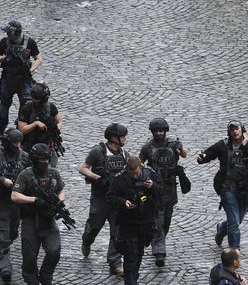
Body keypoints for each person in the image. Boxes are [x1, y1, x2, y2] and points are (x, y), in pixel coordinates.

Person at [197, 120, 248, 249]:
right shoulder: (223, 145)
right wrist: (201, 158)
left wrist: (247, 144)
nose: (234, 131)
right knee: (234, 223)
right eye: (232, 129)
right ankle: (234, 252)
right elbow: (207, 154)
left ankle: (221, 228)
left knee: (237, 219)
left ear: (242, 130)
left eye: (237, 129)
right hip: (227, 188)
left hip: (244, 189)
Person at [78, 123, 129, 277]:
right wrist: (97, 178)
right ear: (114, 138)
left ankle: (115, 262)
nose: (126, 139)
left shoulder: (124, 154)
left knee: (118, 230)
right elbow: (83, 168)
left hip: (116, 199)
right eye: (123, 136)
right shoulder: (98, 152)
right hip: (100, 198)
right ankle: (87, 240)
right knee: (94, 226)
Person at [11, 143, 64, 285]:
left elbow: (61, 189)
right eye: (42, 159)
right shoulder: (26, 175)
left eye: (47, 159)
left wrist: (59, 201)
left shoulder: (53, 173)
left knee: (54, 251)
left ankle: (46, 276)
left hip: (48, 219)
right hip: (30, 220)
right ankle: (31, 280)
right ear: (35, 160)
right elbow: (15, 196)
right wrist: (34, 199)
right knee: (30, 257)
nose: (45, 162)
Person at [139, 118, 187, 267]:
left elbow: (184, 154)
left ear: (165, 131)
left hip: (170, 187)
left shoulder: (173, 144)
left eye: (161, 130)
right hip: (155, 188)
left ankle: (157, 240)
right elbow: (139, 163)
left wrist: (181, 150)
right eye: (156, 131)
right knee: (158, 218)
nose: (159, 133)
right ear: (152, 132)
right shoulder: (148, 147)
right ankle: (159, 250)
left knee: (167, 218)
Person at [0, 128, 30, 282]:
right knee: (3, 234)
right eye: (14, 143)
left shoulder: (24, 157)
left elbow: (30, 174)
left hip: (17, 202)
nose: (17, 146)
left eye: (19, 143)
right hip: (2, 200)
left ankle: (4, 246)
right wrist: (2, 181)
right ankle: (4, 265)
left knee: (12, 232)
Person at [106, 156, 162, 285]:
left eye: (137, 173)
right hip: (128, 222)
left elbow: (161, 192)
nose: (135, 177)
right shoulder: (120, 178)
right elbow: (110, 196)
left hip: (145, 220)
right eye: (132, 174)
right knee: (130, 254)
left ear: (140, 167)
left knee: (138, 253)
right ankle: (130, 281)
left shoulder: (150, 174)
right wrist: (123, 202)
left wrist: (152, 186)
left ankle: (133, 278)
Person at [0, 20, 42, 136]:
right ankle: (2, 130)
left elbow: (38, 58)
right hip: (7, 79)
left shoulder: (29, 42)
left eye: (9, 32)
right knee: (4, 107)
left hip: (24, 79)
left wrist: (32, 69)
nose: (7, 34)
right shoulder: (4, 42)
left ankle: (19, 131)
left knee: (25, 106)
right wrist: (4, 58)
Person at [17, 82, 62, 167]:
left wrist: (55, 133)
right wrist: (35, 124)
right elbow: (21, 130)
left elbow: (59, 121)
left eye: (37, 98)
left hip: (46, 145)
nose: (34, 100)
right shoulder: (27, 108)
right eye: (33, 97)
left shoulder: (50, 107)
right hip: (29, 145)